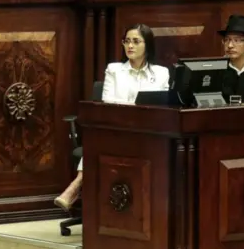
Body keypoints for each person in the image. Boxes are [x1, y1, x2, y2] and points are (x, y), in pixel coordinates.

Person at [54, 23, 169, 211]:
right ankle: (77, 186)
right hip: (117, 129)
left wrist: (131, 107)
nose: (130, 46)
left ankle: (76, 187)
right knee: (98, 141)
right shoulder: (114, 70)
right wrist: (138, 107)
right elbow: (107, 102)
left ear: (147, 45)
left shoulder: (161, 73)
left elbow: (162, 104)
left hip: (148, 132)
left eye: (136, 41)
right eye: (126, 41)